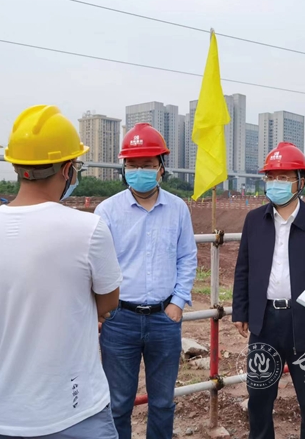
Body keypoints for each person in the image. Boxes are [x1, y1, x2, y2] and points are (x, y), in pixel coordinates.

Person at [0, 105, 122, 438]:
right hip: (76, 411)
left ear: (17, 166)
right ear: (67, 169)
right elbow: (109, 302)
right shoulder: (89, 229)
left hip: (3, 414)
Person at [232, 142, 305, 439]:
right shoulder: (254, 220)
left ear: (301, 181)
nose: (275, 183)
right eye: (271, 177)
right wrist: (241, 311)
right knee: (259, 399)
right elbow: (243, 268)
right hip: (265, 323)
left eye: (283, 177)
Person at [95, 123, 197, 439]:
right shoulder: (107, 211)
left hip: (164, 318)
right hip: (119, 319)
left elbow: (187, 257)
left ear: (161, 167)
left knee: (163, 403)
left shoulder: (178, 209)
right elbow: (96, 264)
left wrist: (178, 303)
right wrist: (101, 310)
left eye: (148, 164)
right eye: (133, 164)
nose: (140, 171)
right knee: (118, 404)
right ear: (123, 169)